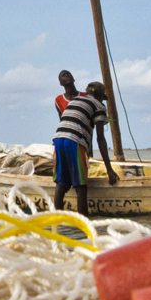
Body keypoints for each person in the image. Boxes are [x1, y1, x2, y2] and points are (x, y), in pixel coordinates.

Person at [52, 81, 119, 214]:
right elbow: (100, 139)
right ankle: (84, 225)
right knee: (81, 186)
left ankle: (57, 222)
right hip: (74, 142)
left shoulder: (75, 100)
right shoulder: (99, 105)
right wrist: (109, 170)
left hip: (58, 139)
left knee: (61, 183)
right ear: (100, 96)